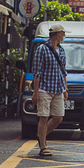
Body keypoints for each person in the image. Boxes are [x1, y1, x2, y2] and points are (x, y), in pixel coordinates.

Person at [31, 23, 68, 158]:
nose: (64, 36)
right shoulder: (42, 49)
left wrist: (65, 88)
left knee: (58, 117)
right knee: (44, 116)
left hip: (58, 88)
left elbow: (63, 71)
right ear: (57, 34)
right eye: (63, 33)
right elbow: (37, 72)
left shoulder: (62, 50)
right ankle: (43, 146)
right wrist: (36, 91)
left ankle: (41, 135)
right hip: (44, 88)